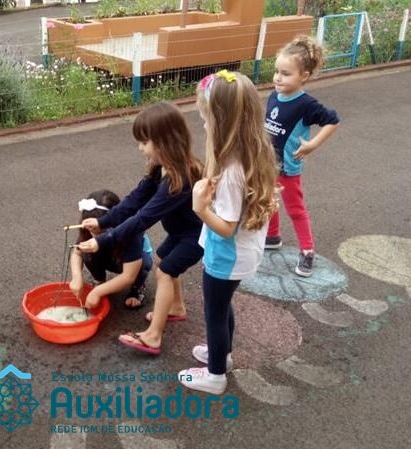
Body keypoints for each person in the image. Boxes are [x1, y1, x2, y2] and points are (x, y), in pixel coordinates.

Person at [177, 70, 279, 395]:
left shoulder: (233, 170)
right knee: (222, 306)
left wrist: (200, 209)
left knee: (214, 312)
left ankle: (215, 375)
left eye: (206, 118)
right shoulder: (252, 152)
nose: (203, 124)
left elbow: (226, 226)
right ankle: (223, 355)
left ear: (223, 122)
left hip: (227, 255)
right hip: (240, 254)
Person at [78, 102, 204, 355]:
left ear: (165, 141)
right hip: (181, 232)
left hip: (197, 235)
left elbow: (143, 218)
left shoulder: (179, 179)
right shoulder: (161, 169)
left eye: (145, 142)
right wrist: (103, 222)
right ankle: (176, 307)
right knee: (163, 260)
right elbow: (134, 201)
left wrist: (102, 240)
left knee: (165, 272)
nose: (140, 148)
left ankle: (153, 336)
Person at [264, 35, 340, 277]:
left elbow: (332, 120)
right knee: (269, 201)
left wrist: (313, 144)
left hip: (288, 167)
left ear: (304, 76)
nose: (278, 78)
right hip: (268, 164)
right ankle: (272, 236)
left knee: (295, 209)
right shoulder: (274, 96)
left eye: (286, 74)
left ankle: (307, 251)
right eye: (277, 72)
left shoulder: (306, 104)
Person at [69, 189, 153, 310]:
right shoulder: (89, 227)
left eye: (102, 231)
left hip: (131, 262)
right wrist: (76, 277)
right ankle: (100, 281)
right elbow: (77, 253)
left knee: (144, 263)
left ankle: (137, 289)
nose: (95, 235)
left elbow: (128, 276)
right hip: (112, 255)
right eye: (91, 229)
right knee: (86, 252)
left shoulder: (131, 232)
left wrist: (97, 292)